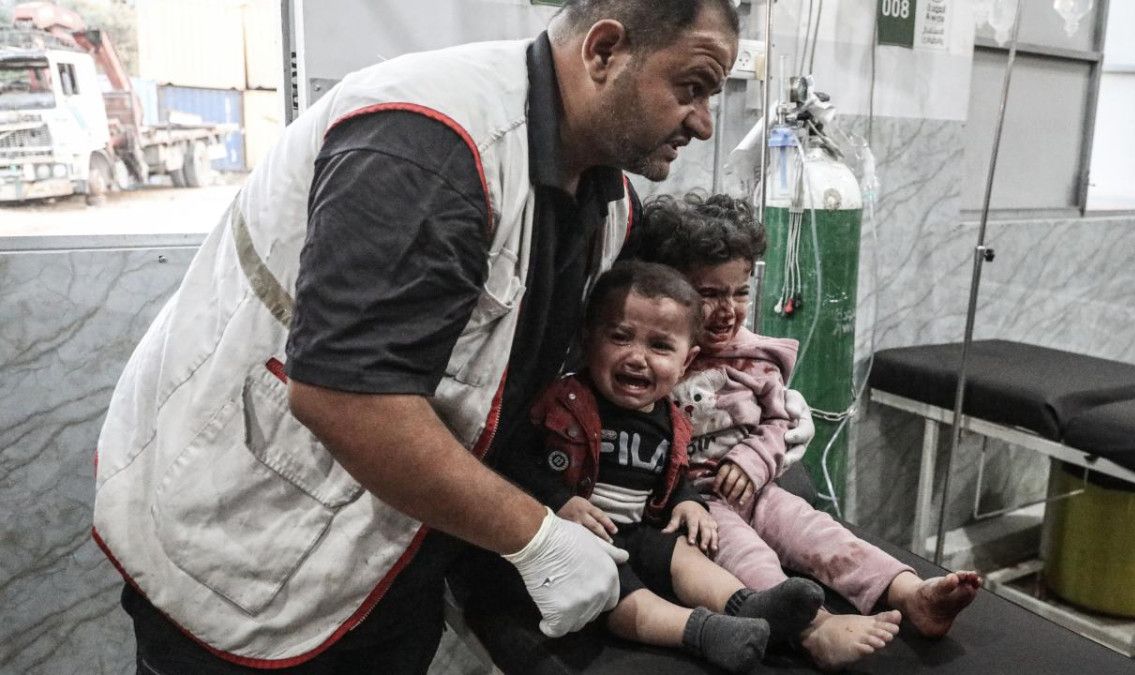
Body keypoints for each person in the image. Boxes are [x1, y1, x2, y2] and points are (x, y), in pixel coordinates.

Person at [91, 1, 741, 672]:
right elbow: (348, 398)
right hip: (248, 532)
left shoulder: (608, 204)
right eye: (691, 87)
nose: (702, 121)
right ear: (604, 51)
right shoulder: (431, 146)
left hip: (394, 552)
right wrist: (536, 536)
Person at [635, 193, 982, 671]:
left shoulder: (754, 358)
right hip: (700, 505)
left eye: (740, 292)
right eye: (708, 293)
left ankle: (910, 594)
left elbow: (779, 421)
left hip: (758, 487)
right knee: (748, 557)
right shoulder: (659, 360)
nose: (728, 309)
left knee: (823, 535)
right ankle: (815, 629)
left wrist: (753, 459)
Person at [521, 260, 825, 672]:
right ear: (587, 340)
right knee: (613, 590)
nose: (637, 358)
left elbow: (675, 472)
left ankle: (748, 605)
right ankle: (701, 631)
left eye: (660, 346)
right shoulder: (564, 401)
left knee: (686, 556)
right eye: (620, 337)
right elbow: (518, 459)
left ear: (686, 362)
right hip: (578, 541)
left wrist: (688, 502)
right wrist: (560, 501)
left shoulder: (672, 419)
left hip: (639, 532)